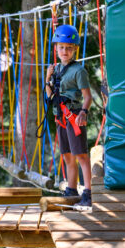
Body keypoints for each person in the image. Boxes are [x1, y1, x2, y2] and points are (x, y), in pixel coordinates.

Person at [44, 24, 93, 207]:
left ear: (74, 50)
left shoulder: (78, 71)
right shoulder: (56, 70)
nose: (65, 51)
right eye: (61, 47)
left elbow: (87, 97)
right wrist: (47, 78)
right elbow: (49, 96)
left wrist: (83, 112)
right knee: (66, 156)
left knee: (81, 155)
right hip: (60, 118)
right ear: (56, 49)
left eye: (69, 48)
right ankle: (71, 190)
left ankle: (88, 192)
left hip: (73, 116)